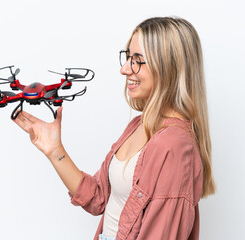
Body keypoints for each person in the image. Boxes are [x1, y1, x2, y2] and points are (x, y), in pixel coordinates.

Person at [13, 16, 215, 240]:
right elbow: (99, 197)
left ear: (168, 67)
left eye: (137, 60)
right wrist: (54, 150)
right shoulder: (138, 125)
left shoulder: (175, 145)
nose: (124, 69)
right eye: (128, 57)